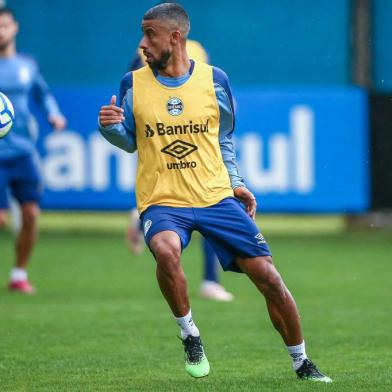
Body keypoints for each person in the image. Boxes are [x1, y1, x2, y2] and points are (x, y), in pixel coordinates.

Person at [98, 3, 331, 383]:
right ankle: (190, 334)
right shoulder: (133, 83)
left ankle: (302, 362)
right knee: (166, 250)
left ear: (175, 37)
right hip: (163, 199)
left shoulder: (215, 80)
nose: (142, 43)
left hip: (215, 197)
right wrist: (108, 127)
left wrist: (236, 182)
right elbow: (129, 141)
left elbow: (224, 140)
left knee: (269, 278)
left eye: (150, 34)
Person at [125, 38, 234, 302]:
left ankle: (209, 280)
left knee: (206, 202)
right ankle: (209, 281)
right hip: (165, 133)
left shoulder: (190, 51)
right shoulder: (172, 48)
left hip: (179, 132)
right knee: (192, 199)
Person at [0, 7, 66, 294]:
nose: (1, 30)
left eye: (5, 24)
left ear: (15, 28)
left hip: (24, 152)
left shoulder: (27, 64)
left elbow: (43, 93)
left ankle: (18, 273)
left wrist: (54, 114)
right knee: (1, 219)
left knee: (30, 216)